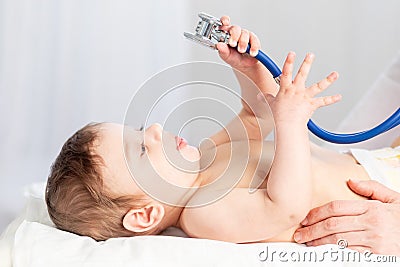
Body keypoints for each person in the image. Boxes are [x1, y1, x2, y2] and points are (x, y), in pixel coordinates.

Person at [45, 15, 400, 254]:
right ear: (146, 215)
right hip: (385, 189)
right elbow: (285, 208)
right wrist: (291, 123)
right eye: (140, 150)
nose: (153, 130)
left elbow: (254, 115)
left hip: (378, 162)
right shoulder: (204, 214)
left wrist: (248, 70)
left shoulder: (209, 155)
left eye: (139, 130)